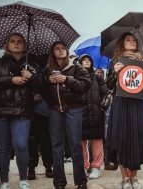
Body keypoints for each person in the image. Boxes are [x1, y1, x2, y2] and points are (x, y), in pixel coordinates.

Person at [41, 41, 91, 189]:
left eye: (63, 48)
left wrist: (67, 79)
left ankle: (81, 181)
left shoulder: (76, 67)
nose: (61, 50)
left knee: (75, 144)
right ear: (53, 52)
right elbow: (40, 89)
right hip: (54, 110)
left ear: (67, 51)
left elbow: (85, 85)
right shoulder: (47, 69)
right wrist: (47, 81)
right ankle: (59, 182)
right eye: (57, 48)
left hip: (73, 109)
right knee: (56, 146)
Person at [106, 32, 143, 189]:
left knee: (137, 139)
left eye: (134, 40)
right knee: (122, 139)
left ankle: (135, 177)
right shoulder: (115, 61)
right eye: (128, 39)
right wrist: (115, 72)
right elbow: (109, 85)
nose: (132, 42)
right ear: (122, 43)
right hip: (121, 104)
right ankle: (125, 178)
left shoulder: (142, 60)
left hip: (138, 104)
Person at [0, 33, 39, 189]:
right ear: (7, 45)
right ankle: (5, 181)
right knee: (3, 147)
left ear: (24, 45)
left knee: (21, 145)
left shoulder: (31, 64)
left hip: (22, 110)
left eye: (19, 41)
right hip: (0, 110)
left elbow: (41, 87)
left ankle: (23, 179)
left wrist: (31, 77)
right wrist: (10, 80)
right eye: (12, 41)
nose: (16, 44)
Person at [78, 54, 108, 179]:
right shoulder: (76, 77)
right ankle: (84, 167)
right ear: (80, 63)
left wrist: (102, 106)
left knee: (97, 141)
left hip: (96, 113)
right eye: (84, 60)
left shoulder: (97, 78)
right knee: (81, 142)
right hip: (81, 113)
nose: (87, 62)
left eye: (89, 60)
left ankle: (96, 167)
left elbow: (106, 93)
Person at [27, 93, 54, 180]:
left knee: (46, 140)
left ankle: (48, 167)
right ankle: (31, 168)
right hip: (29, 110)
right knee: (31, 141)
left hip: (44, 110)